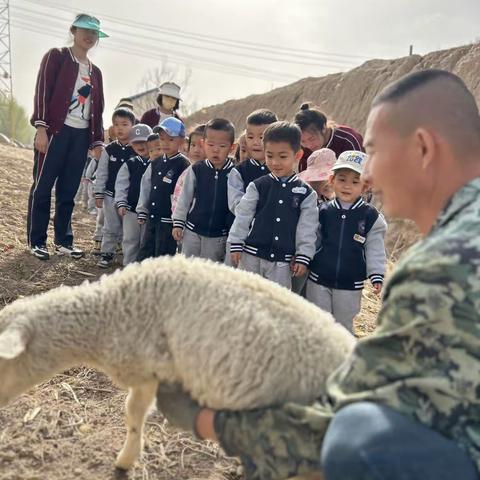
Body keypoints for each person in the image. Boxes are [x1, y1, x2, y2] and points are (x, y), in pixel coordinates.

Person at [156, 70, 480, 480]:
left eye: (374, 152)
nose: (370, 175)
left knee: (351, 435)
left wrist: (209, 421)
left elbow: (341, 416)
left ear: (422, 148)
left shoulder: (441, 268)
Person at [27, 13, 106, 260]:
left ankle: (63, 241)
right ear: (73, 30)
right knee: (42, 187)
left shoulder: (96, 72)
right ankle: (36, 241)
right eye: (85, 30)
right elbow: (42, 91)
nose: (89, 36)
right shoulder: (57, 57)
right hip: (55, 132)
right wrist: (41, 129)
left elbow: (98, 108)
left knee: (68, 191)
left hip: (80, 136)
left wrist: (96, 141)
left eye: (94, 33)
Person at [228, 121, 318, 289]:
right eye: (270, 156)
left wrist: (303, 255)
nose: (275, 162)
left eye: (282, 156)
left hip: (281, 263)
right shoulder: (257, 186)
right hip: (250, 257)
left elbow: (307, 228)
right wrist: (236, 242)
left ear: (298, 155)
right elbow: (243, 215)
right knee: (245, 299)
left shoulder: (306, 193)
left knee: (275, 306)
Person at [307, 151, 387, 332]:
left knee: (342, 327)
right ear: (331, 180)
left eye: (355, 181)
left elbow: (375, 248)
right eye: (342, 179)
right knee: (318, 324)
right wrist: (304, 258)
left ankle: (343, 358)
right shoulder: (322, 211)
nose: (347, 186)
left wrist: (376, 274)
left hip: (350, 284)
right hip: (318, 278)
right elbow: (313, 239)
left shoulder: (371, 217)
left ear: (366, 186)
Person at [172, 119, 235, 262]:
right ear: (203, 143)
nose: (216, 149)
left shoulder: (234, 173)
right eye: (211, 144)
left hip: (217, 236)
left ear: (232, 148)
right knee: (189, 268)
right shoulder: (196, 169)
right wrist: (178, 222)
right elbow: (184, 198)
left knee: (209, 273)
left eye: (222, 146)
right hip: (192, 230)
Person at [137, 117, 189, 259]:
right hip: (152, 218)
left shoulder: (184, 164)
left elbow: (185, 195)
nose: (165, 143)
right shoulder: (156, 162)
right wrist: (142, 210)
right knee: (145, 252)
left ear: (182, 141)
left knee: (163, 257)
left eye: (171, 139)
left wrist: (179, 221)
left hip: (168, 222)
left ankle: (161, 282)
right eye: (162, 138)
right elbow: (146, 186)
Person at [94, 109, 135, 268]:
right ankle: (107, 254)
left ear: (133, 126)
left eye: (125, 124)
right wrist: (99, 193)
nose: (120, 128)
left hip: (129, 197)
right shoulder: (109, 150)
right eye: (116, 124)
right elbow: (102, 173)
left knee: (129, 228)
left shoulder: (137, 149)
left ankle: (127, 256)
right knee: (110, 225)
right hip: (110, 196)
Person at [114, 124, 152, 266]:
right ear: (131, 143)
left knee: (145, 241)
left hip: (149, 211)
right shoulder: (130, 163)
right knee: (130, 239)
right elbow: (121, 185)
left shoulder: (157, 162)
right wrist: (121, 202)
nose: (140, 145)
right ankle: (128, 266)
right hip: (130, 209)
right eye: (136, 142)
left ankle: (142, 269)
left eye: (144, 141)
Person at [227, 109, 278, 214]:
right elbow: (236, 205)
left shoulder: (282, 168)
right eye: (250, 137)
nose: (255, 142)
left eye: (261, 137)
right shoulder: (238, 172)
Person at [294, 103, 363, 172]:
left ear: (323, 128)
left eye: (312, 139)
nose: (309, 145)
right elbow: (304, 176)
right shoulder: (304, 148)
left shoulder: (348, 139)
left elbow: (358, 173)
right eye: (303, 141)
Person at [171, 124, 206, 214]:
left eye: (201, 146)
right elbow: (177, 198)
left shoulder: (211, 172)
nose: (196, 150)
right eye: (193, 145)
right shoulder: (187, 171)